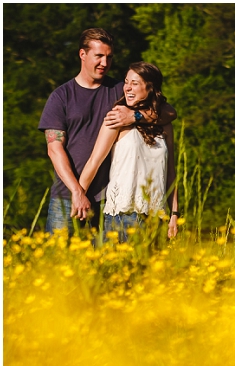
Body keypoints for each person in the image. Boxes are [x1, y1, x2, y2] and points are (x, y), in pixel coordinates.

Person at [37, 28, 176, 234]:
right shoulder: (61, 97)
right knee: (58, 259)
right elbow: (54, 150)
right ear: (82, 54)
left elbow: (169, 112)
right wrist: (77, 192)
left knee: (103, 262)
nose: (105, 63)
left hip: (107, 199)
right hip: (67, 197)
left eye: (109, 57)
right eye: (99, 56)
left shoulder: (120, 90)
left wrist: (134, 116)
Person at [78, 62, 180, 242]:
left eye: (135, 83)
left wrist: (174, 214)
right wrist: (78, 195)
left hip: (156, 216)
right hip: (123, 214)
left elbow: (170, 172)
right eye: (126, 82)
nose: (127, 88)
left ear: (150, 87)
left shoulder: (164, 124)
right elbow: (94, 161)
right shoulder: (116, 117)